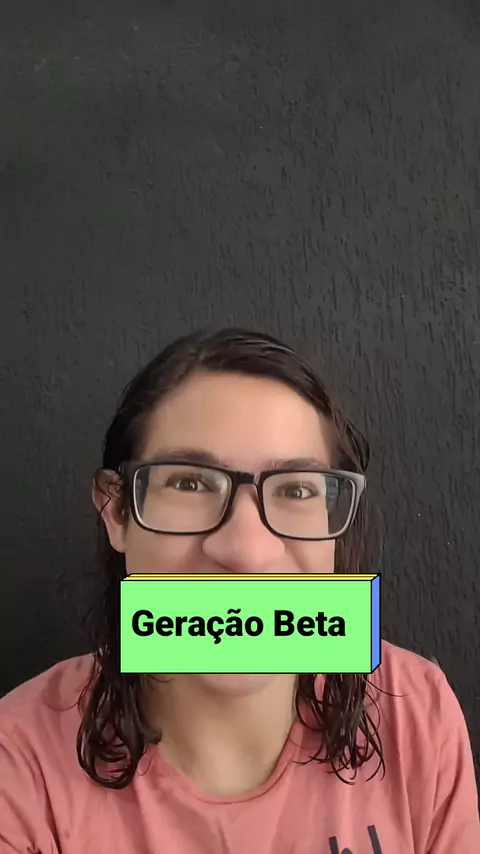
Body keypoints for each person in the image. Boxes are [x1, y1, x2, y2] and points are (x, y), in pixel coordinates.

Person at [0, 327, 478, 854]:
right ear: (117, 512)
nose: (247, 552)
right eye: (189, 482)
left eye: (297, 489)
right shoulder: (19, 765)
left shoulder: (417, 714)